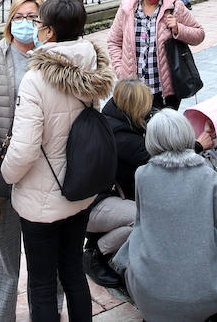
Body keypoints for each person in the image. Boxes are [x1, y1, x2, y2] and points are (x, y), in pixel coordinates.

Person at [2, 0, 115, 322]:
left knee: (41, 282)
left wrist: (7, 176)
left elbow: (24, 149)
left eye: (38, 24)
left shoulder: (37, 79)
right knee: (72, 272)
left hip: (41, 199)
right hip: (80, 190)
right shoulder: (93, 66)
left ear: (48, 32)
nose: (34, 28)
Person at [112, 109, 217, 322]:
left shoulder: (142, 175)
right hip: (206, 296)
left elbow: (142, 225)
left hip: (149, 295)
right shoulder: (205, 176)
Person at [0, 0, 44, 321]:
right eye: (20, 16)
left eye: (32, 17)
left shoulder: (48, 59)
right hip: (2, 167)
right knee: (3, 255)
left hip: (42, 171)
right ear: (10, 20)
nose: (26, 23)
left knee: (43, 254)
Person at [85, 76, 159, 286]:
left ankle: (103, 243)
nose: (150, 108)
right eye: (146, 104)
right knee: (144, 219)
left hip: (105, 194)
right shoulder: (122, 137)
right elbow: (160, 163)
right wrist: (197, 146)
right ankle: (94, 254)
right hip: (93, 204)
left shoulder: (113, 115)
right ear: (135, 107)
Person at [107, 0, 205, 112]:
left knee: (163, 133)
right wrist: (121, 70)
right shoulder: (127, 9)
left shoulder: (175, 7)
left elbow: (199, 34)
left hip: (166, 90)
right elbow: (114, 41)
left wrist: (178, 29)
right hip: (134, 90)